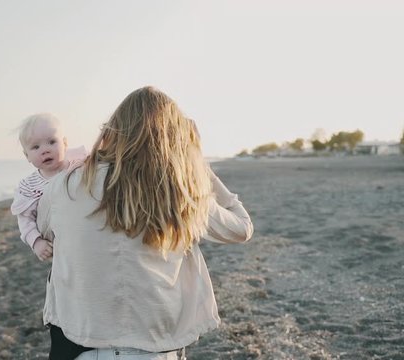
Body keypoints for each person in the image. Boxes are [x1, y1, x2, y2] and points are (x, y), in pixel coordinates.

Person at [36, 86, 254, 359]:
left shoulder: (64, 184)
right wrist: (193, 162)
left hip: (81, 344)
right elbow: (241, 227)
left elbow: (44, 231)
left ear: (114, 129)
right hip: (154, 347)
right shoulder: (178, 189)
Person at [11, 113, 86, 261]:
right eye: (36, 147)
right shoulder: (30, 186)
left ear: (64, 144)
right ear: (27, 155)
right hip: (59, 244)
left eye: (52, 142)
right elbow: (25, 220)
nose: (45, 150)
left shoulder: (80, 162)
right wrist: (36, 242)